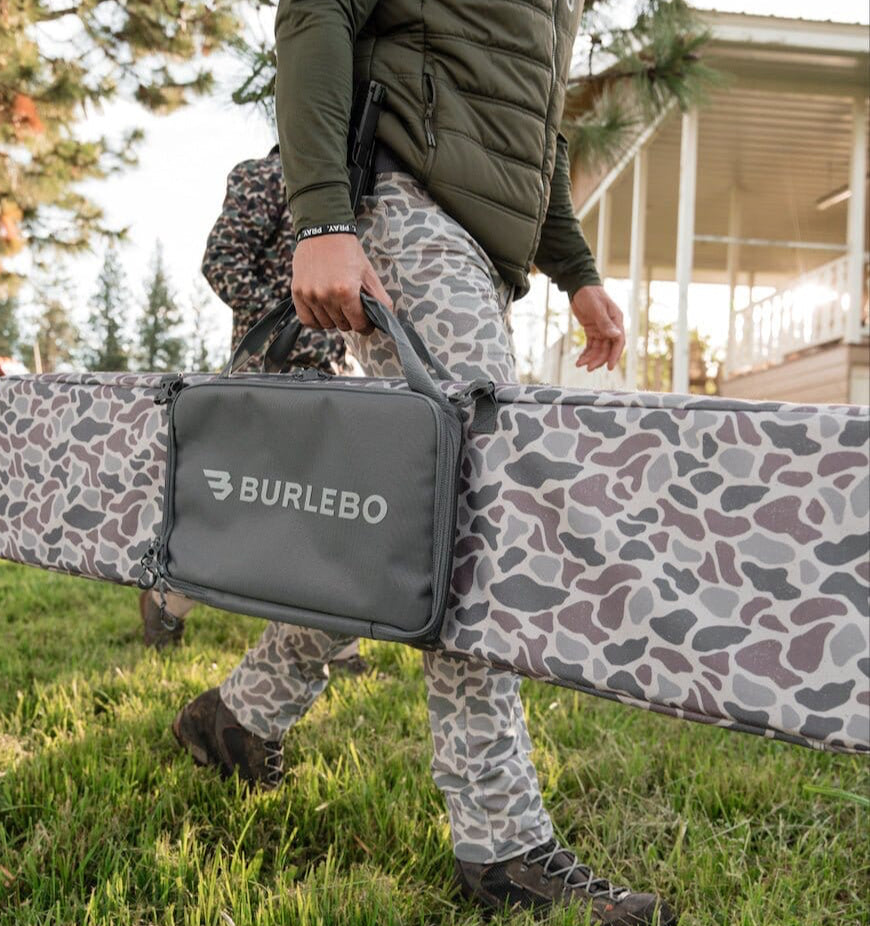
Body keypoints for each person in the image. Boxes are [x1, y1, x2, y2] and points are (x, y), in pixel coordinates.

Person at [171, 2, 676, 923]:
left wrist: (576, 272)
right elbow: (317, 12)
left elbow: (531, 131)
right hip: (406, 209)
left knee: (409, 525)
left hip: (481, 253)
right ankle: (503, 844)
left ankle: (241, 715)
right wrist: (322, 218)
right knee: (476, 521)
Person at [140, 147, 367, 676]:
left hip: (333, 380)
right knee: (248, 509)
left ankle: (341, 648)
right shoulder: (265, 176)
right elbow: (222, 260)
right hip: (270, 375)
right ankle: (166, 598)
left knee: (330, 511)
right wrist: (293, 317)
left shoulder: (353, 184)